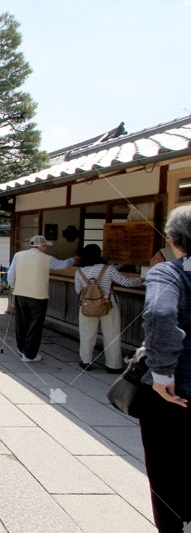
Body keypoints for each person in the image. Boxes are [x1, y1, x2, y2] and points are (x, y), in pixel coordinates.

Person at [137, 205, 191, 532]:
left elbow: (159, 315)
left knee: (167, 472)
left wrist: (161, 374)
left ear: (172, 240)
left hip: (174, 391)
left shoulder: (169, 273)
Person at [7, 235, 79, 362]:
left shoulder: (18, 255)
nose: (45, 247)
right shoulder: (46, 258)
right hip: (38, 295)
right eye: (45, 245)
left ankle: (21, 348)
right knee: (35, 325)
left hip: (20, 293)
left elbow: (11, 274)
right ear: (40, 246)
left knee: (21, 322)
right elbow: (63, 265)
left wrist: (13, 286)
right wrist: (74, 259)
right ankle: (29, 354)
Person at [74, 244, 143, 372]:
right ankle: (113, 365)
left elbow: (78, 290)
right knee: (112, 334)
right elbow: (126, 282)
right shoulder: (108, 269)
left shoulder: (79, 272)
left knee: (86, 334)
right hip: (108, 305)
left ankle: (86, 361)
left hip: (87, 306)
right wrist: (142, 280)